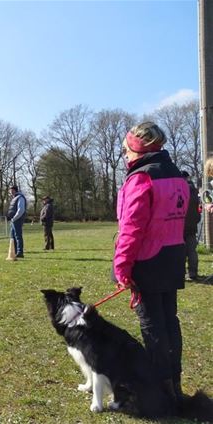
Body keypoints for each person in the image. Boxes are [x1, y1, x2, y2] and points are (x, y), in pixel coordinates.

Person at [113, 122, 188, 409]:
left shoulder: (141, 179)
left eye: (125, 150)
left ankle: (162, 393)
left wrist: (122, 267)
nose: (125, 156)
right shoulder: (176, 176)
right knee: (170, 323)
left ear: (136, 149)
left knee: (152, 326)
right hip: (172, 257)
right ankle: (175, 387)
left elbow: (132, 228)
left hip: (147, 260)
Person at [181, 171, 200, 280]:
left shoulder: (179, 188)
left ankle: (181, 272)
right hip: (192, 225)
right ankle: (193, 272)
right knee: (192, 250)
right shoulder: (194, 190)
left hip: (180, 225)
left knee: (181, 250)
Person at [7, 185, 26, 258]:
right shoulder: (14, 198)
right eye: (10, 190)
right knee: (12, 236)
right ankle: (13, 251)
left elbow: (21, 210)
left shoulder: (20, 198)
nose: (10, 192)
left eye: (12, 190)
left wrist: (14, 218)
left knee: (18, 236)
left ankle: (20, 252)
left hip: (17, 219)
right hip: (13, 220)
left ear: (15, 190)